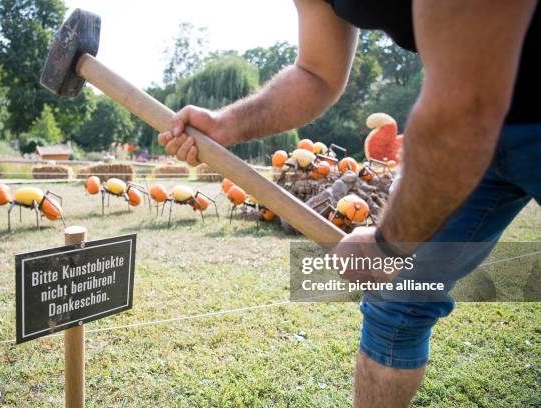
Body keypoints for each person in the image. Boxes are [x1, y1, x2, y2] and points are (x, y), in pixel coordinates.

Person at [158, 1, 540, 406]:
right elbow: (316, 74)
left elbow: (466, 103)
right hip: (471, 121)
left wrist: (387, 244)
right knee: (397, 297)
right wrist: (225, 124)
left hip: (476, 110)